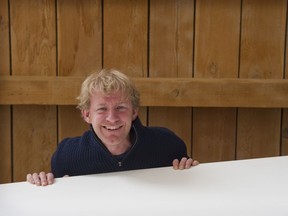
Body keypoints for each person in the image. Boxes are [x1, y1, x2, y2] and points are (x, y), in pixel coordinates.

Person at [26, 68, 199, 186]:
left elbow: (187, 191)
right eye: (102, 109)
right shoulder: (67, 155)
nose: (112, 118)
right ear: (87, 114)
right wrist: (43, 182)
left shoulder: (167, 144)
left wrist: (191, 171)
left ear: (134, 112)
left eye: (120, 108)